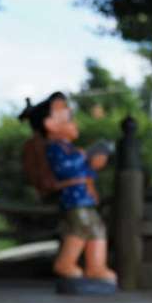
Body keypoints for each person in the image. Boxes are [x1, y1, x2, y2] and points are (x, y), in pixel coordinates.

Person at [20, 92, 116, 284]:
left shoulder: (69, 149)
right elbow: (65, 169)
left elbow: (84, 170)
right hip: (73, 198)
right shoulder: (56, 149)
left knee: (96, 229)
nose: (71, 116)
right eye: (65, 115)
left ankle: (96, 266)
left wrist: (93, 161)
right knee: (80, 228)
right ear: (50, 124)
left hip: (84, 196)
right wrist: (83, 156)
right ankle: (65, 263)